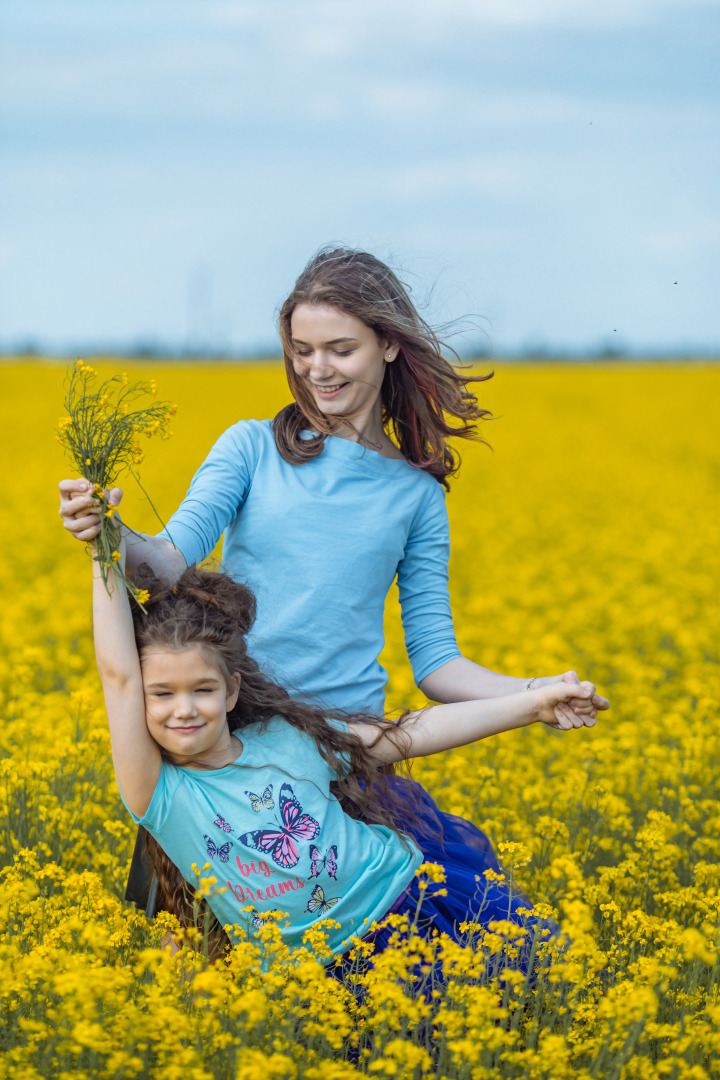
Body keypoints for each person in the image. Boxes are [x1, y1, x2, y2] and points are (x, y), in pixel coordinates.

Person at [58, 247, 608, 908]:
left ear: (389, 347)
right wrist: (108, 534)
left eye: (340, 349)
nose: (317, 369)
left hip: (346, 756)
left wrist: (535, 691)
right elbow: (168, 564)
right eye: (301, 350)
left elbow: (438, 664)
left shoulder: (416, 497)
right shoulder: (249, 447)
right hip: (230, 748)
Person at [88, 537, 596, 972]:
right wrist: (101, 552)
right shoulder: (160, 793)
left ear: (231, 692)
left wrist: (531, 705)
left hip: (408, 908)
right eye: (163, 694)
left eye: (201, 689)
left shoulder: (286, 737)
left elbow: (408, 734)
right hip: (314, 972)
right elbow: (118, 675)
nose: (184, 710)